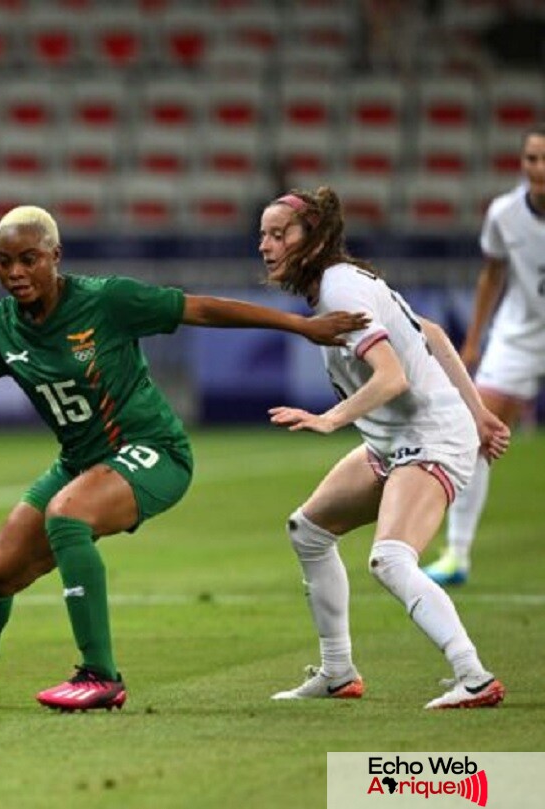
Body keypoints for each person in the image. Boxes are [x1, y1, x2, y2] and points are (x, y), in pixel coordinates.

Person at [0, 205, 368, 712]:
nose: (14, 272)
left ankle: (101, 677)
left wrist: (301, 326)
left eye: (28, 259)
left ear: (55, 257)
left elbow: (200, 307)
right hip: (81, 462)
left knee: (68, 513)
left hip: (154, 452)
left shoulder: (106, 300)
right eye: (4, 261)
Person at [259, 187, 509, 710]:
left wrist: (331, 419)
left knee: (391, 558)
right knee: (308, 531)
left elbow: (392, 377)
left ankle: (474, 675)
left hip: (429, 436)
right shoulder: (347, 279)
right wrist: (481, 412)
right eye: (263, 234)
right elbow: (433, 334)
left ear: (316, 237)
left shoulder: (337, 290)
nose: (266, 245)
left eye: (280, 234)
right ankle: (336, 672)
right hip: (396, 439)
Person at [423, 124, 545, 587]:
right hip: (521, 331)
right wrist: (472, 342)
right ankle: (456, 555)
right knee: (477, 435)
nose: (537, 168)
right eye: (531, 158)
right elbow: (492, 275)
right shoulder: (504, 214)